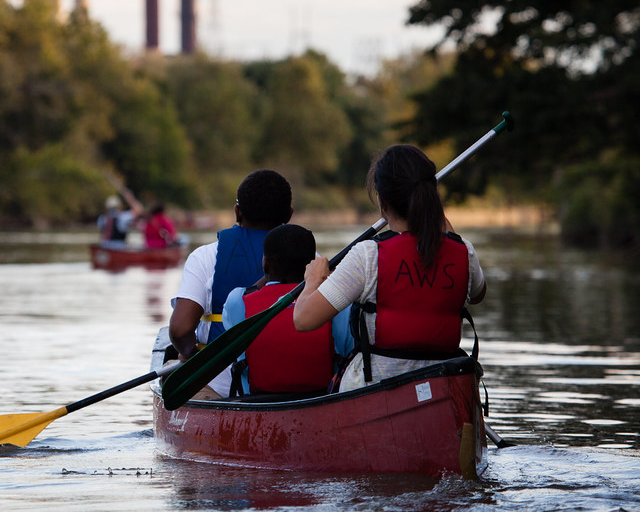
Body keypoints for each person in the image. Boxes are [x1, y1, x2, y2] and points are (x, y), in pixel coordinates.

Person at [293, 144, 487, 392]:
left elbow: (303, 319)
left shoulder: (367, 256)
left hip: (375, 391)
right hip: (445, 389)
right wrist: (439, 219)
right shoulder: (465, 252)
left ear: (382, 201)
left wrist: (313, 279)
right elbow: (478, 294)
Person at [168, 169, 293, 398]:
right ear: (289, 214)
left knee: (177, 374)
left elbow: (180, 330)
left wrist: (190, 357)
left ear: (237, 211)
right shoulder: (311, 258)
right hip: (292, 384)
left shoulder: (205, 257)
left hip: (220, 388)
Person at [222, 223, 335, 396]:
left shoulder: (237, 300)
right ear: (312, 265)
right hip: (321, 398)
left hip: (256, 401)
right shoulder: (333, 301)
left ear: (265, 264)